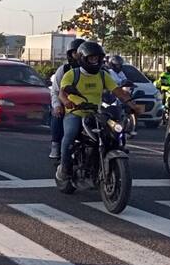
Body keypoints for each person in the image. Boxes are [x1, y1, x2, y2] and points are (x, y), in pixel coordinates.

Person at [56, 41, 118, 182]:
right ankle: (65, 167)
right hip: (76, 113)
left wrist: (131, 103)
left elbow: (117, 91)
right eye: (91, 58)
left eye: (97, 57)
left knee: (112, 134)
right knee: (70, 135)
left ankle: (103, 163)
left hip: (96, 113)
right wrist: (67, 102)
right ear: (83, 58)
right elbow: (62, 93)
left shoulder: (103, 75)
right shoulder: (72, 74)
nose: (95, 60)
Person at [48, 38, 86, 159]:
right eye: (75, 53)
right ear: (70, 54)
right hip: (70, 106)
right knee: (58, 115)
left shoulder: (97, 70)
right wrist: (58, 105)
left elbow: (113, 88)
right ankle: (56, 145)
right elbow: (56, 91)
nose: (78, 55)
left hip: (92, 106)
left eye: (81, 52)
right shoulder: (64, 70)